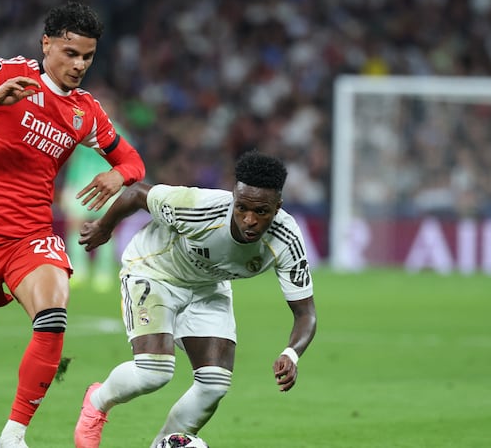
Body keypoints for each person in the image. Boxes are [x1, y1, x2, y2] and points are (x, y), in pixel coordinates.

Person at [0, 1, 145, 448]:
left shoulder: (85, 112)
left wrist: (117, 174)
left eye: (87, 56)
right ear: (47, 43)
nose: (79, 64)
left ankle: (14, 434)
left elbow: (131, 159)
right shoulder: (8, 73)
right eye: (70, 53)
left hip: (30, 234)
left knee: (53, 315)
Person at [73, 150, 317, 448]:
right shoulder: (199, 208)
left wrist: (291, 354)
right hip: (155, 270)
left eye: (262, 212)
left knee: (214, 384)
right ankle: (96, 402)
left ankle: (165, 444)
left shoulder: (286, 239)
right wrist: (103, 227)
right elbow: (137, 193)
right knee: (154, 372)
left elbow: (306, 313)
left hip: (208, 286)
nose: (249, 220)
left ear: (277, 207)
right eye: (241, 208)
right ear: (233, 198)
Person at [59, 88, 134, 292]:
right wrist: (69, 185)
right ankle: (79, 269)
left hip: (109, 186)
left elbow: (126, 162)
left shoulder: (119, 133)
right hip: (82, 184)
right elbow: (73, 160)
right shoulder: (84, 131)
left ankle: (103, 272)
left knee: (106, 228)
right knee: (76, 226)